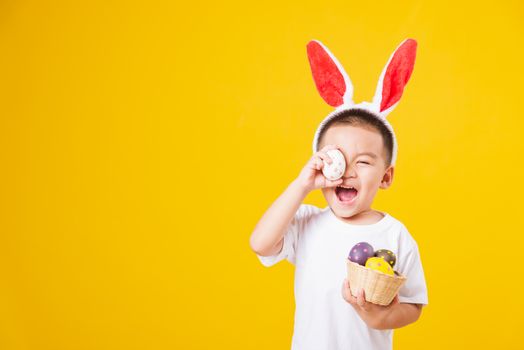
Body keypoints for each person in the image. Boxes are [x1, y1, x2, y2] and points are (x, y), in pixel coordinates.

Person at [249, 39, 428, 350]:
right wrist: (301, 184)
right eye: (338, 158)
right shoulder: (306, 220)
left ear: (386, 176)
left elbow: (413, 306)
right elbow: (260, 244)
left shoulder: (396, 235)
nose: (348, 171)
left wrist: (378, 318)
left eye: (363, 162)